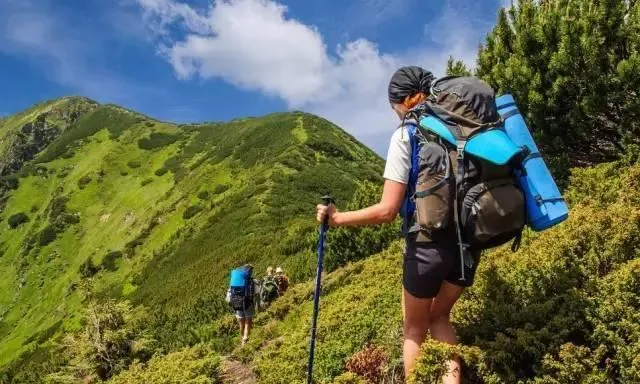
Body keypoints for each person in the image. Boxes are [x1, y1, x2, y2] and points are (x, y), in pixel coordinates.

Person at [315, 66, 480, 383]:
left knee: (414, 329)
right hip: (469, 244)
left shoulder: (407, 133)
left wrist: (336, 219)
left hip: (427, 247)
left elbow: (387, 210)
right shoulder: (464, 126)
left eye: (395, 108)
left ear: (407, 100)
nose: (395, 115)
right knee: (441, 317)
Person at [226, 263, 256, 346]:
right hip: (248, 303)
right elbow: (256, 293)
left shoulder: (235, 281)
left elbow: (229, 295)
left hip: (237, 304)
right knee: (248, 321)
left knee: (241, 323)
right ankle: (246, 338)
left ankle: (242, 338)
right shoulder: (250, 281)